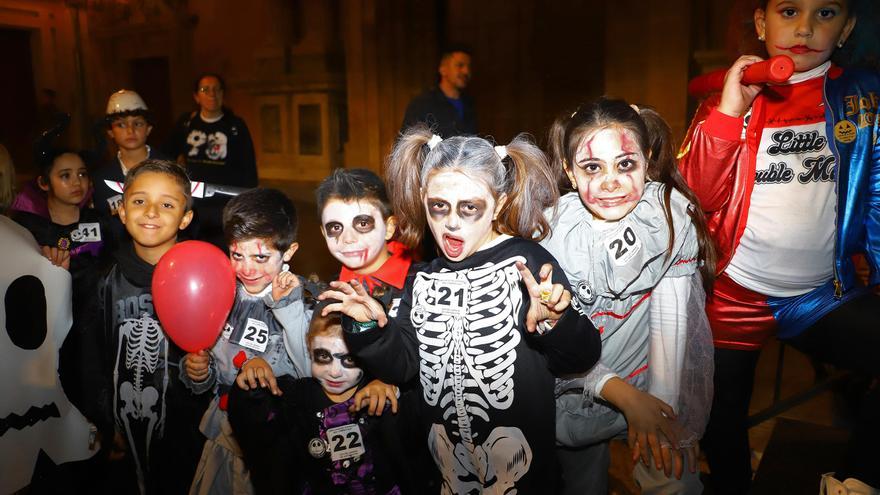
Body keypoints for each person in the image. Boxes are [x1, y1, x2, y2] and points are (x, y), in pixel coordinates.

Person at [320, 126, 602, 493]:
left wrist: (557, 322)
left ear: (499, 203)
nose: (451, 221)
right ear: (423, 198)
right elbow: (404, 364)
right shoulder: (421, 277)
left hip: (524, 478)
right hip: (447, 476)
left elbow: (579, 358)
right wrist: (367, 329)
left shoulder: (527, 263)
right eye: (438, 206)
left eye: (469, 207)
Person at [678, 0, 880, 492]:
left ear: (848, 25)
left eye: (826, 12)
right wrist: (729, 111)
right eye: (789, 11)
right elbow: (694, 198)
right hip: (730, 296)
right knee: (720, 420)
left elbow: (876, 190)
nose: (806, 27)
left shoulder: (864, 96)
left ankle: (855, 480)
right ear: (763, 23)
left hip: (821, 295)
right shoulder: (732, 96)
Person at [541, 98, 716, 494]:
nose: (610, 182)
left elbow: (670, 323)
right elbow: (552, 347)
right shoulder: (550, 236)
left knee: (676, 481)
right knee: (580, 483)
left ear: (648, 158)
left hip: (649, 384)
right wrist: (626, 398)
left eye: (625, 164)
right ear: (568, 169)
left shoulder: (667, 216)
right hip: (568, 396)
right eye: (591, 167)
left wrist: (660, 413)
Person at [78, 160, 208, 494]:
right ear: (121, 211)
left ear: (186, 217)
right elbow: (88, 359)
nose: (151, 211)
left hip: (190, 437)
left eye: (166, 204)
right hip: (122, 431)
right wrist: (105, 422)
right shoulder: (103, 280)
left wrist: (204, 375)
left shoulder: (204, 278)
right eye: (139, 201)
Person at [180, 188, 311, 495]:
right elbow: (210, 356)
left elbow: (309, 370)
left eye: (261, 257)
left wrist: (287, 315)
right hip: (222, 434)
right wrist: (199, 371)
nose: (247, 268)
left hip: (272, 435)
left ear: (289, 252)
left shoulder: (302, 301)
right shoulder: (220, 290)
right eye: (237, 255)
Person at [229, 309, 413, 494]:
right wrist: (252, 372)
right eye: (324, 356)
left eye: (348, 359)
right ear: (310, 350)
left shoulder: (376, 393)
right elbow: (255, 425)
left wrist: (391, 389)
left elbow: (410, 444)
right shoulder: (296, 397)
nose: (334, 372)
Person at [163, 73, 258, 247]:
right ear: (196, 97)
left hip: (225, 205)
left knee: (226, 251)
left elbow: (249, 166)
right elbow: (166, 156)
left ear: (223, 94)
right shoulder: (186, 124)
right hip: (193, 204)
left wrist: (248, 201)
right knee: (192, 250)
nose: (211, 94)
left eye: (216, 89)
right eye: (205, 90)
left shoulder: (235, 126)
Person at [92, 89, 174, 251]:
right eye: (121, 125)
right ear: (110, 131)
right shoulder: (100, 179)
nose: (130, 131)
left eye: (137, 123)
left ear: (148, 128)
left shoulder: (171, 171)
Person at [400, 45, 477, 139]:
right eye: (460, 65)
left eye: (469, 66)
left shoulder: (469, 104)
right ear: (443, 69)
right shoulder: (422, 103)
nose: (466, 71)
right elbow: (408, 143)